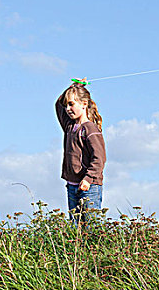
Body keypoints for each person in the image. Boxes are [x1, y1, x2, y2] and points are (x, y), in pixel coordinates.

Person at [55, 79, 106, 222]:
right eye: (67, 106)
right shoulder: (69, 126)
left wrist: (88, 179)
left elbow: (99, 158)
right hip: (72, 185)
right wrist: (75, 86)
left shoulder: (90, 129)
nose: (67, 109)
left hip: (89, 185)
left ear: (84, 104)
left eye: (71, 104)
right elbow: (58, 104)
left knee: (91, 226)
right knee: (75, 226)